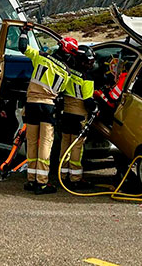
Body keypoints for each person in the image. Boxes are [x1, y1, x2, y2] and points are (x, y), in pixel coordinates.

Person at [18, 23, 77, 194]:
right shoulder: (67, 72)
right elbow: (61, 92)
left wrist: (24, 32)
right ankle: (42, 183)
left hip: (31, 104)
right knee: (45, 143)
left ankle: (31, 179)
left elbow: (22, 47)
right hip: (48, 106)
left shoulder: (41, 57)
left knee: (31, 142)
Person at [59, 45, 98, 190]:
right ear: (83, 61)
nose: (91, 64)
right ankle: (75, 178)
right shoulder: (87, 78)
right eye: (89, 61)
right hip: (79, 115)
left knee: (65, 144)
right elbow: (88, 101)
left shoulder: (68, 71)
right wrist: (95, 108)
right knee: (76, 147)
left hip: (66, 113)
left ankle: (62, 175)